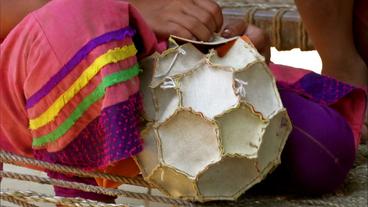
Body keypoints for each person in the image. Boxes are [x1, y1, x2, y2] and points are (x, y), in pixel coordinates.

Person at [0, 0, 366, 203]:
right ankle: (86, 178)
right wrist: (132, 7)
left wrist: (214, 40)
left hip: (142, 57)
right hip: (34, 74)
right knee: (73, 15)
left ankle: (144, 160)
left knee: (323, 146)